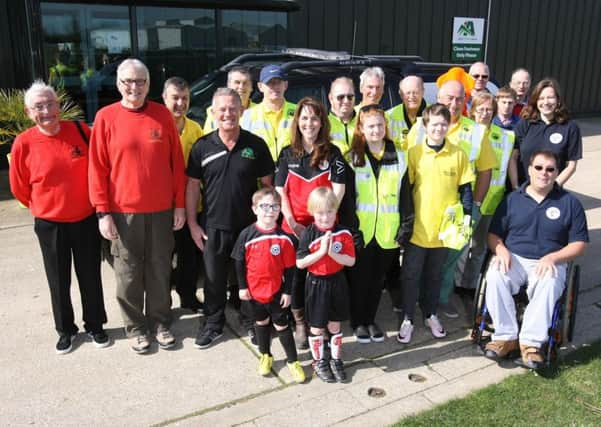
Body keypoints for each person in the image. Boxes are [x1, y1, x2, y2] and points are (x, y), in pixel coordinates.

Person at [88, 58, 186, 354]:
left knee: (159, 269)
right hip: (122, 212)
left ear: (148, 84)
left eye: (140, 81)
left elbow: (177, 165)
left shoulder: (162, 116)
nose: (134, 87)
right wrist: (102, 212)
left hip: (160, 211)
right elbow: (97, 169)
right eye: (128, 81)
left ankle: (159, 322)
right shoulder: (105, 117)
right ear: (118, 83)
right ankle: (135, 327)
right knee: (128, 273)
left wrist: (179, 206)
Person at [9, 80, 108, 354]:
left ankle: (96, 325)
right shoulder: (23, 143)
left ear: (59, 105)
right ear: (29, 112)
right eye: (39, 106)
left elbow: (99, 169)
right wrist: (43, 206)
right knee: (58, 279)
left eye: (51, 103)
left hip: (85, 219)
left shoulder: (80, 131)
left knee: (90, 275)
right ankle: (65, 330)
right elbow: (19, 186)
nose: (47, 110)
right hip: (50, 224)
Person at [186, 88, 274, 349]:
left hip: (249, 228)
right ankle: (213, 323)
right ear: (213, 113)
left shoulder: (255, 145)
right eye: (222, 109)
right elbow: (191, 187)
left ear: (242, 111)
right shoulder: (202, 147)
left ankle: (250, 321)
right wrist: (192, 224)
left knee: (249, 280)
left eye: (233, 108)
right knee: (213, 281)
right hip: (213, 227)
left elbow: (268, 185)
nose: (228, 114)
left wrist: (266, 223)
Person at [484, 150, 588, 368]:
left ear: (557, 172)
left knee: (549, 283)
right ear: (529, 170)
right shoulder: (512, 199)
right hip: (514, 257)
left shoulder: (570, 203)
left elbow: (579, 244)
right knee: (494, 275)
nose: (544, 173)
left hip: (550, 260)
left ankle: (530, 344)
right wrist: (500, 249)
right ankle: (505, 337)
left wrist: (554, 257)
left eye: (550, 169)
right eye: (539, 168)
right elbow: (493, 235)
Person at [397, 104, 475, 344]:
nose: (439, 128)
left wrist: (468, 218)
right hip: (418, 230)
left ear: (449, 125)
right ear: (425, 126)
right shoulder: (414, 153)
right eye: (434, 124)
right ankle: (408, 317)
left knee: (434, 276)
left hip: (444, 232)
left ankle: (430, 314)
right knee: (411, 275)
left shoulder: (458, 154)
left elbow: (466, 191)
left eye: (444, 123)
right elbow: (405, 192)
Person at [275, 96, 347, 349]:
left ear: (322, 122)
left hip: (324, 227)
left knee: (322, 278)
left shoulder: (334, 153)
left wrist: (322, 226)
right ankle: (301, 324)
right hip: (294, 228)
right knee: (295, 278)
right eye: (304, 117)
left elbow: (338, 190)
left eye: (314, 118)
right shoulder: (286, 154)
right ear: (297, 122)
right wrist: (293, 223)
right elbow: (280, 192)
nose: (309, 123)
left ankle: (322, 321)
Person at [347, 104, 413, 343]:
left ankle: (370, 320)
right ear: (361, 130)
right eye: (370, 126)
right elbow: (348, 201)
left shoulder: (400, 157)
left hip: (388, 232)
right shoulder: (353, 157)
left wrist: (405, 228)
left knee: (377, 281)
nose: (375, 130)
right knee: (359, 280)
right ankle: (358, 322)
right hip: (362, 233)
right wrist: (352, 231)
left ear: (386, 127)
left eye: (379, 125)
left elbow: (406, 197)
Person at [231, 188, 305, 383]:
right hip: (254, 293)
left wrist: (288, 291)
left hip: (276, 292)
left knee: (281, 325)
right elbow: (238, 262)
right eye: (264, 206)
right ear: (255, 209)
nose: (269, 210)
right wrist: (242, 287)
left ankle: (293, 361)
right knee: (261, 323)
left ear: (280, 210)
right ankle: (265, 355)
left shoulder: (284, 238)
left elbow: (290, 269)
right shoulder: (246, 235)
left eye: (274, 206)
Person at [455, 93, 515, 291]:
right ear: (472, 111)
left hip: (492, 202)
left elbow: (510, 164)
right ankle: (456, 284)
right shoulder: (465, 132)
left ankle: (471, 286)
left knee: (480, 247)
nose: (485, 113)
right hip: (467, 199)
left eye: (489, 109)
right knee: (461, 247)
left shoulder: (507, 136)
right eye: (480, 109)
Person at [296, 187, 356, 383]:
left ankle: (336, 359)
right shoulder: (308, 234)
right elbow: (300, 262)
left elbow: (351, 261)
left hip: (337, 281)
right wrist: (321, 252)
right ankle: (318, 361)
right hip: (316, 283)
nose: (325, 217)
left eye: (330, 211)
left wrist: (332, 253)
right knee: (317, 326)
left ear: (336, 210)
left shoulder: (343, 232)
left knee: (334, 322)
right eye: (320, 213)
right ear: (313, 212)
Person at [162, 77, 205, 313]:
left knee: (189, 257)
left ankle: (188, 297)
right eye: (175, 98)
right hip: (163, 206)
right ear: (164, 98)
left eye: (184, 98)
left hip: (191, 205)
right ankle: (162, 303)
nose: (180, 103)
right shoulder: (157, 126)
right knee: (163, 259)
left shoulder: (195, 129)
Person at [510, 78, 582, 188]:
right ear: (536, 101)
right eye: (541, 98)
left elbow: (571, 165)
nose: (546, 102)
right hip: (523, 189)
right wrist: (516, 187)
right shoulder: (525, 124)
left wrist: (554, 187)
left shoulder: (570, 127)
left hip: (552, 192)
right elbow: (513, 158)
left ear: (558, 100)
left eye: (550, 97)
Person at [241, 64, 296, 161]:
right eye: (269, 83)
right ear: (260, 86)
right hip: (261, 172)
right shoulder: (247, 116)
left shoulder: (299, 112)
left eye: (278, 82)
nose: (275, 86)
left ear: (286, 85)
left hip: (291, 171)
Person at [204, 66, 254, 133]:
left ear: (251, 87)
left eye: (245, 83)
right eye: (237, 82)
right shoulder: (215, 111)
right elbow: (209, 139)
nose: (241, 87)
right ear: (228, 85)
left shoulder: (262, 111)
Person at [386, 75, 426, 150]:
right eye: (408, 93)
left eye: (416, 92)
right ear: (401, 94)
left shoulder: (435, 115)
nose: (412, 96)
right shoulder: (388, 117)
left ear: (423, 92)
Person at [328, 77, 357, 155]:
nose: (346, 101)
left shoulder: (365, 122)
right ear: (331, 98)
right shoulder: (322, 124)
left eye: (350, 97)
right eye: (340, 97)